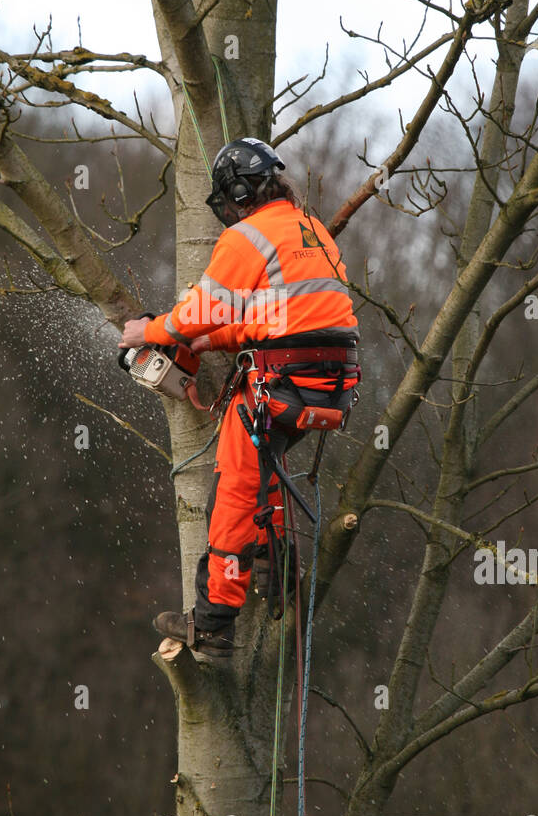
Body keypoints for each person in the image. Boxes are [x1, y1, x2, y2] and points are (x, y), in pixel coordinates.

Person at [119, 137, 360, 658]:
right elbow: (289, 315)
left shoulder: (247, 237)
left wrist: (150, 330)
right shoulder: (313, 232)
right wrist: (217, 341)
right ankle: (276, 568)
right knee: (263, 466)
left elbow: (195, 313)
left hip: (280, 384)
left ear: (240, 192)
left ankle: (212, 621)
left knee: (233, 487)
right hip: (332, 387)